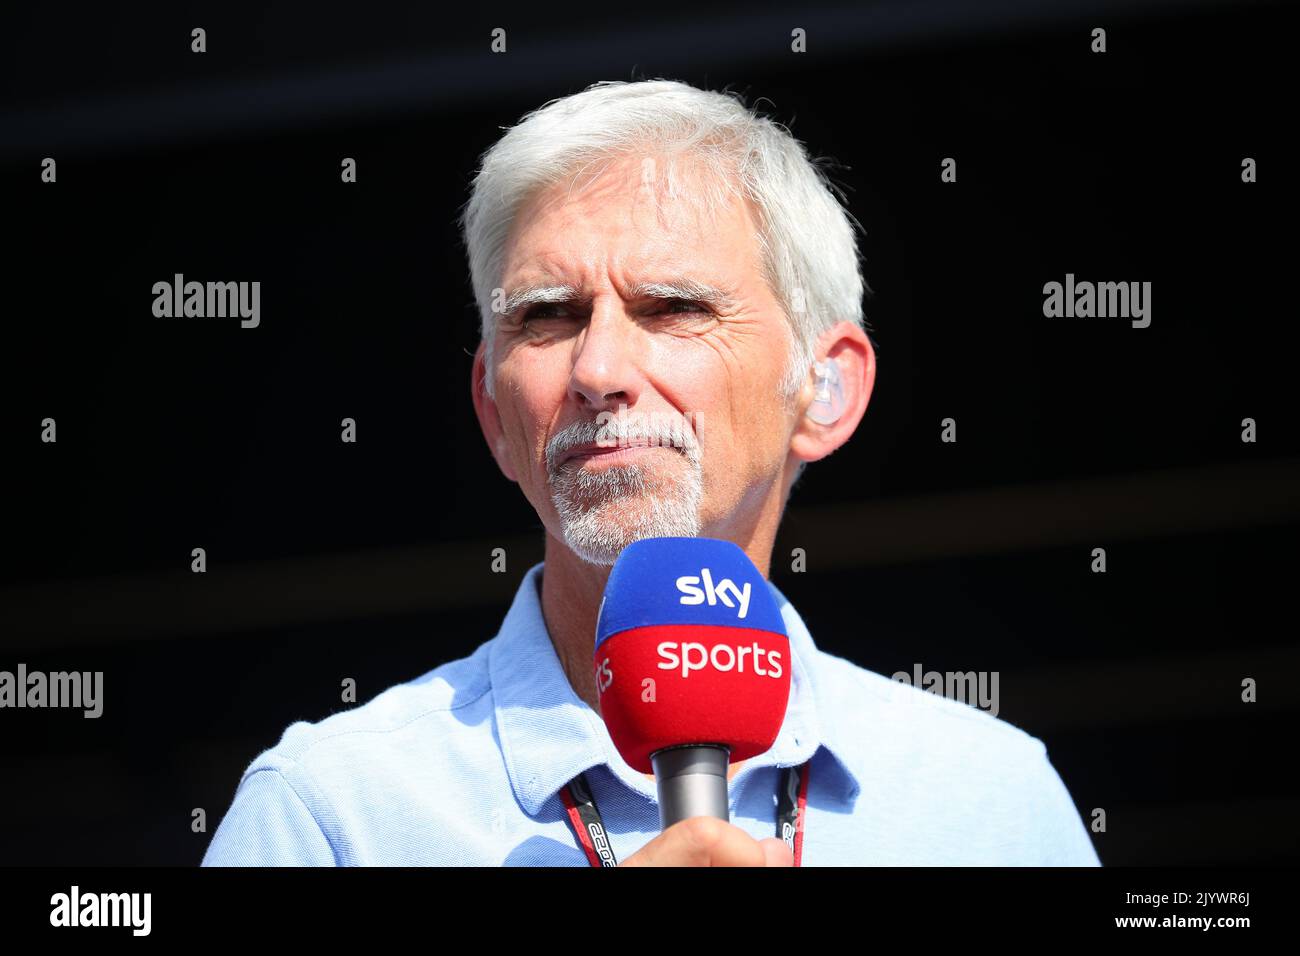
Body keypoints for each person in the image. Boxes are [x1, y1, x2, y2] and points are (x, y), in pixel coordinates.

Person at [202, 79, 1100, 867]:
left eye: (673, 308)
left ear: (823, 390)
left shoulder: (990, 802)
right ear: (493, 415)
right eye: (547, 316)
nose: (597, 370)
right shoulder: (333, 814)